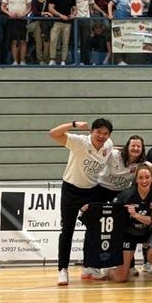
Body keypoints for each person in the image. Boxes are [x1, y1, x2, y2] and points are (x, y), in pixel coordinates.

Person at [49, 118, 115, 286]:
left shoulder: (108, 146)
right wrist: (73, 124)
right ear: (91, 131)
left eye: (105, 133)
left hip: (92, 191)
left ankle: (89, 267)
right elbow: (53, 134)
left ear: (109, 135)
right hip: (71, 190)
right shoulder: (80, 142)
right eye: (98, 132)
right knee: (67, 230)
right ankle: (63, 270)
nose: (101, 136)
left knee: (93, 230)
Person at [108, 165, 152, 283]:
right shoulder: (126, 194)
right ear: (136, 180)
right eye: (141, 178)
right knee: (121, 278)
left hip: (148, 234)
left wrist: (135, 215)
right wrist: (91, 208)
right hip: (130, 233)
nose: (144, 181)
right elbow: (110, 210)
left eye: (147, 177)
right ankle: (108, 271)